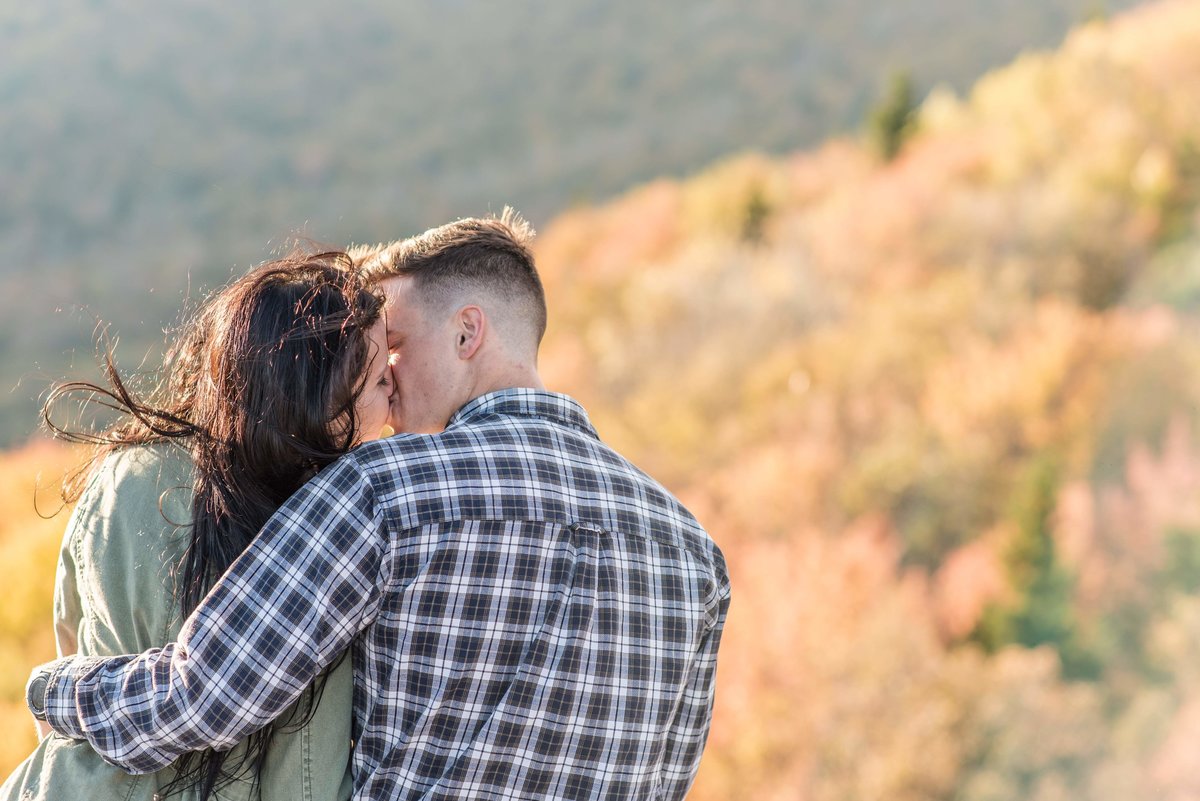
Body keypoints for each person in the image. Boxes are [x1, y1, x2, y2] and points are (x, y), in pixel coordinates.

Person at [25, 210, 731, 800]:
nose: (383, 379)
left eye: (393, 343)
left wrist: (56, 692)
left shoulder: (384, 488)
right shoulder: (695, 554)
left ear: (467, 332)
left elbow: (203, 695)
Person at [3, 252, 394, 801]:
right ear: (321, 401)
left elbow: (72, 636)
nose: (394, 393)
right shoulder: (325, 523)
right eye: (378, 378)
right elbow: (280, 751)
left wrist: (56, 692)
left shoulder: (122, 473)